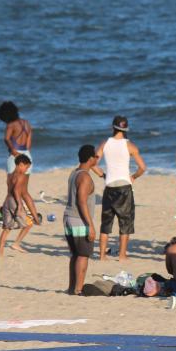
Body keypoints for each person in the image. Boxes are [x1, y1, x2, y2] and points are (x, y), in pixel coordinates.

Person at [95, 116, 146, 261]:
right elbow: (143, 167)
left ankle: (102, 255)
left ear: (112, 128)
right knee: (125, 222)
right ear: (126, 129)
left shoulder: (105, 143)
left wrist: (103, 175)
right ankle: (122, 255)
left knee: (106, 222)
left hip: (109, 186)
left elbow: (93, 163)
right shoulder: (130, 146)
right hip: (124, 186)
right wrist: (134, 177)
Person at [65, 144, 99, 295]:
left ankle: (72, 288)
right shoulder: (85, 176)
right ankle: (78, 289)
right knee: (83, 255)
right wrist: (90, 225)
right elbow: (82, 201)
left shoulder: (75, 173)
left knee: (75, 255)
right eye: (96, 156)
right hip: (79, 219)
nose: (97, 158)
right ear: (91, 158)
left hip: (69, 218)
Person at [0, 154, 41, 255]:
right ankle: (16, 243)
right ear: (21, 164)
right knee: (28, 224)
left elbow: (12, 189)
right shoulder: (21, 176)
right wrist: (20, 205)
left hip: (7, 201)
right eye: (26, 167)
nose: (26, 170)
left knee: (7, 228)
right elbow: (18, 190)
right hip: (15, 202)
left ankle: (0, 251)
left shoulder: (10, 175)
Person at [0, 101, 33, 174]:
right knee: (24, 183)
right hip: (27, 154)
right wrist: (27, 153)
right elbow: (29, 140)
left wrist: (13, 151)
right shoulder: (26, 123)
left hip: (15, 155)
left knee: (12, 181)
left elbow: (6, 139)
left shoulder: (11, 124)